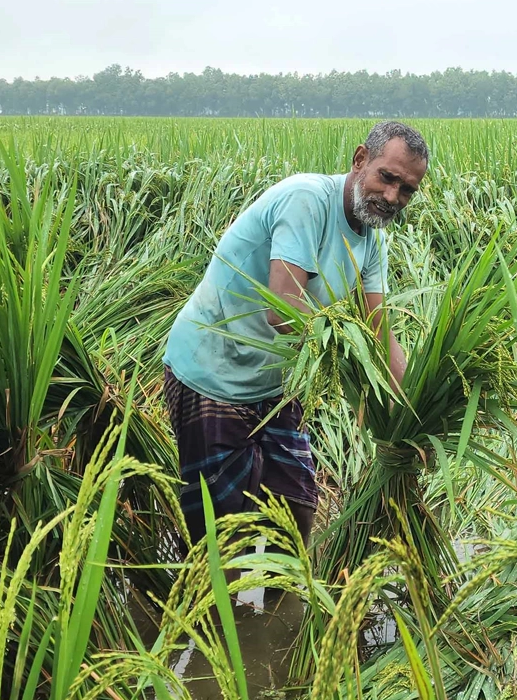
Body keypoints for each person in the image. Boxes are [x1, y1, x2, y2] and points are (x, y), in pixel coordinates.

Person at [162, 121, 429, 550]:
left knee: (297, 504)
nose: (393, 197)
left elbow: (379, 332)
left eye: (407, 190)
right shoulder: (307, 200)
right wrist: (353, 364)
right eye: (387, 177)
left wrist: (411, 419)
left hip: (276, 384)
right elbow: (283, 310)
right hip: (214, 374)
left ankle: (286, 611)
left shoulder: (371, 240)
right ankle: (212, 612)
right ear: (361, 160)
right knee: (222, 535)